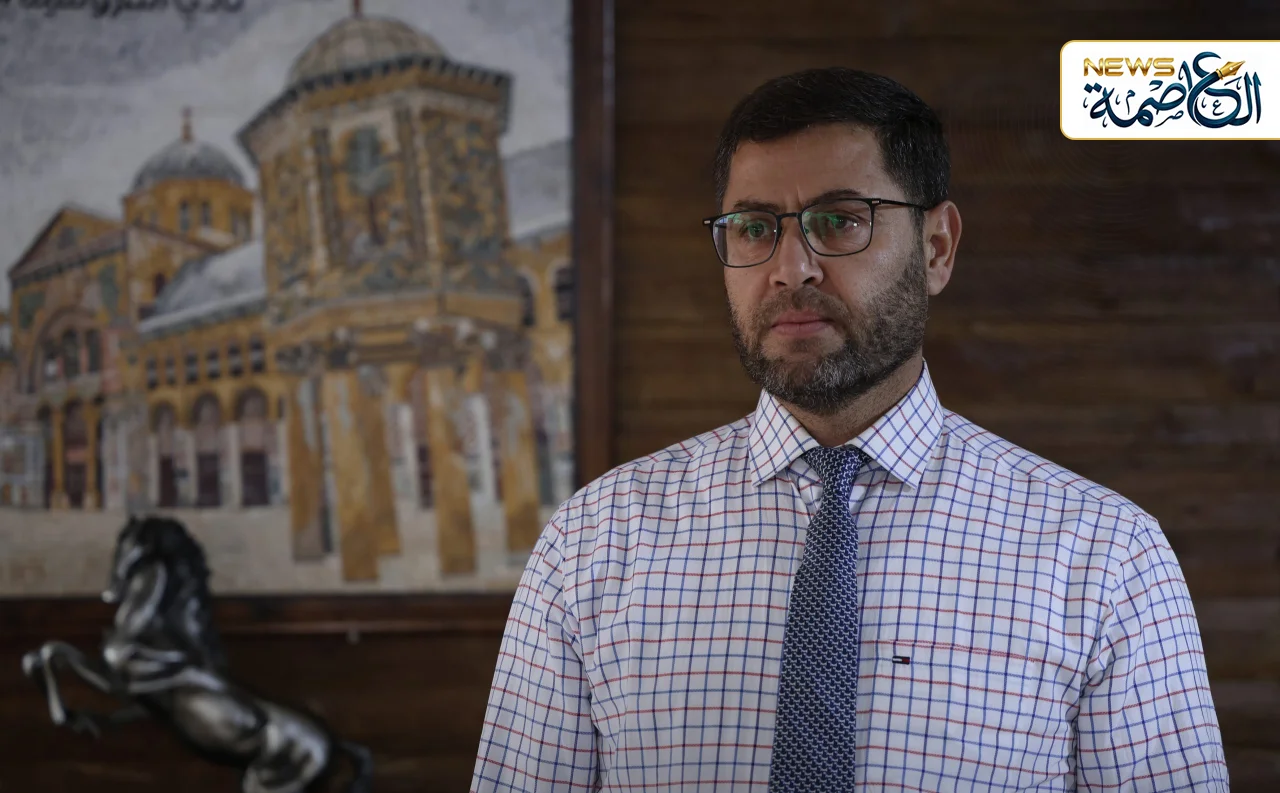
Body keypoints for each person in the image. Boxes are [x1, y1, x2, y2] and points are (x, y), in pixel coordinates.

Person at [471, 67, 1229, 792]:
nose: (790, 268)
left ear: (936, 248)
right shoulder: (594, 543)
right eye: (753, 228)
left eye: (839, 222)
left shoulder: (1103, 557)